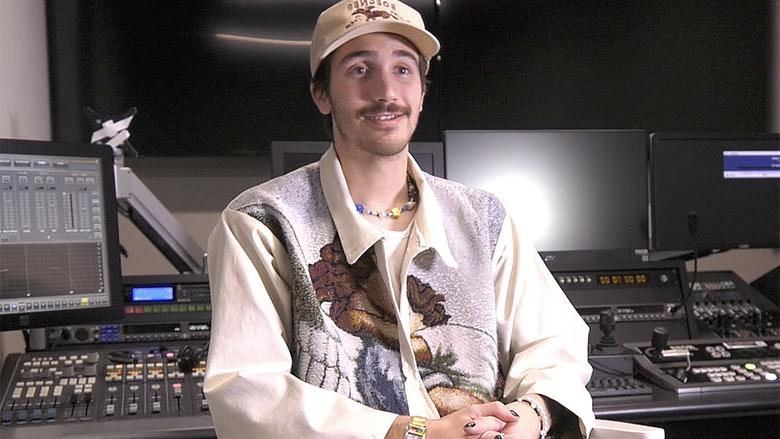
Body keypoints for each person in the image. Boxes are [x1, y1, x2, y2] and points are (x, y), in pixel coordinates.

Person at [204, 1, 595, 438]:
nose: (386, 91)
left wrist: (531, 414)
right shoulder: (261, 223)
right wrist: (416, 433)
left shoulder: (482, 219)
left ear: (423, 93)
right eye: (359, 69)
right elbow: (249, 392)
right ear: (321, 95)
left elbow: (554, 344)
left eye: (404, 69)